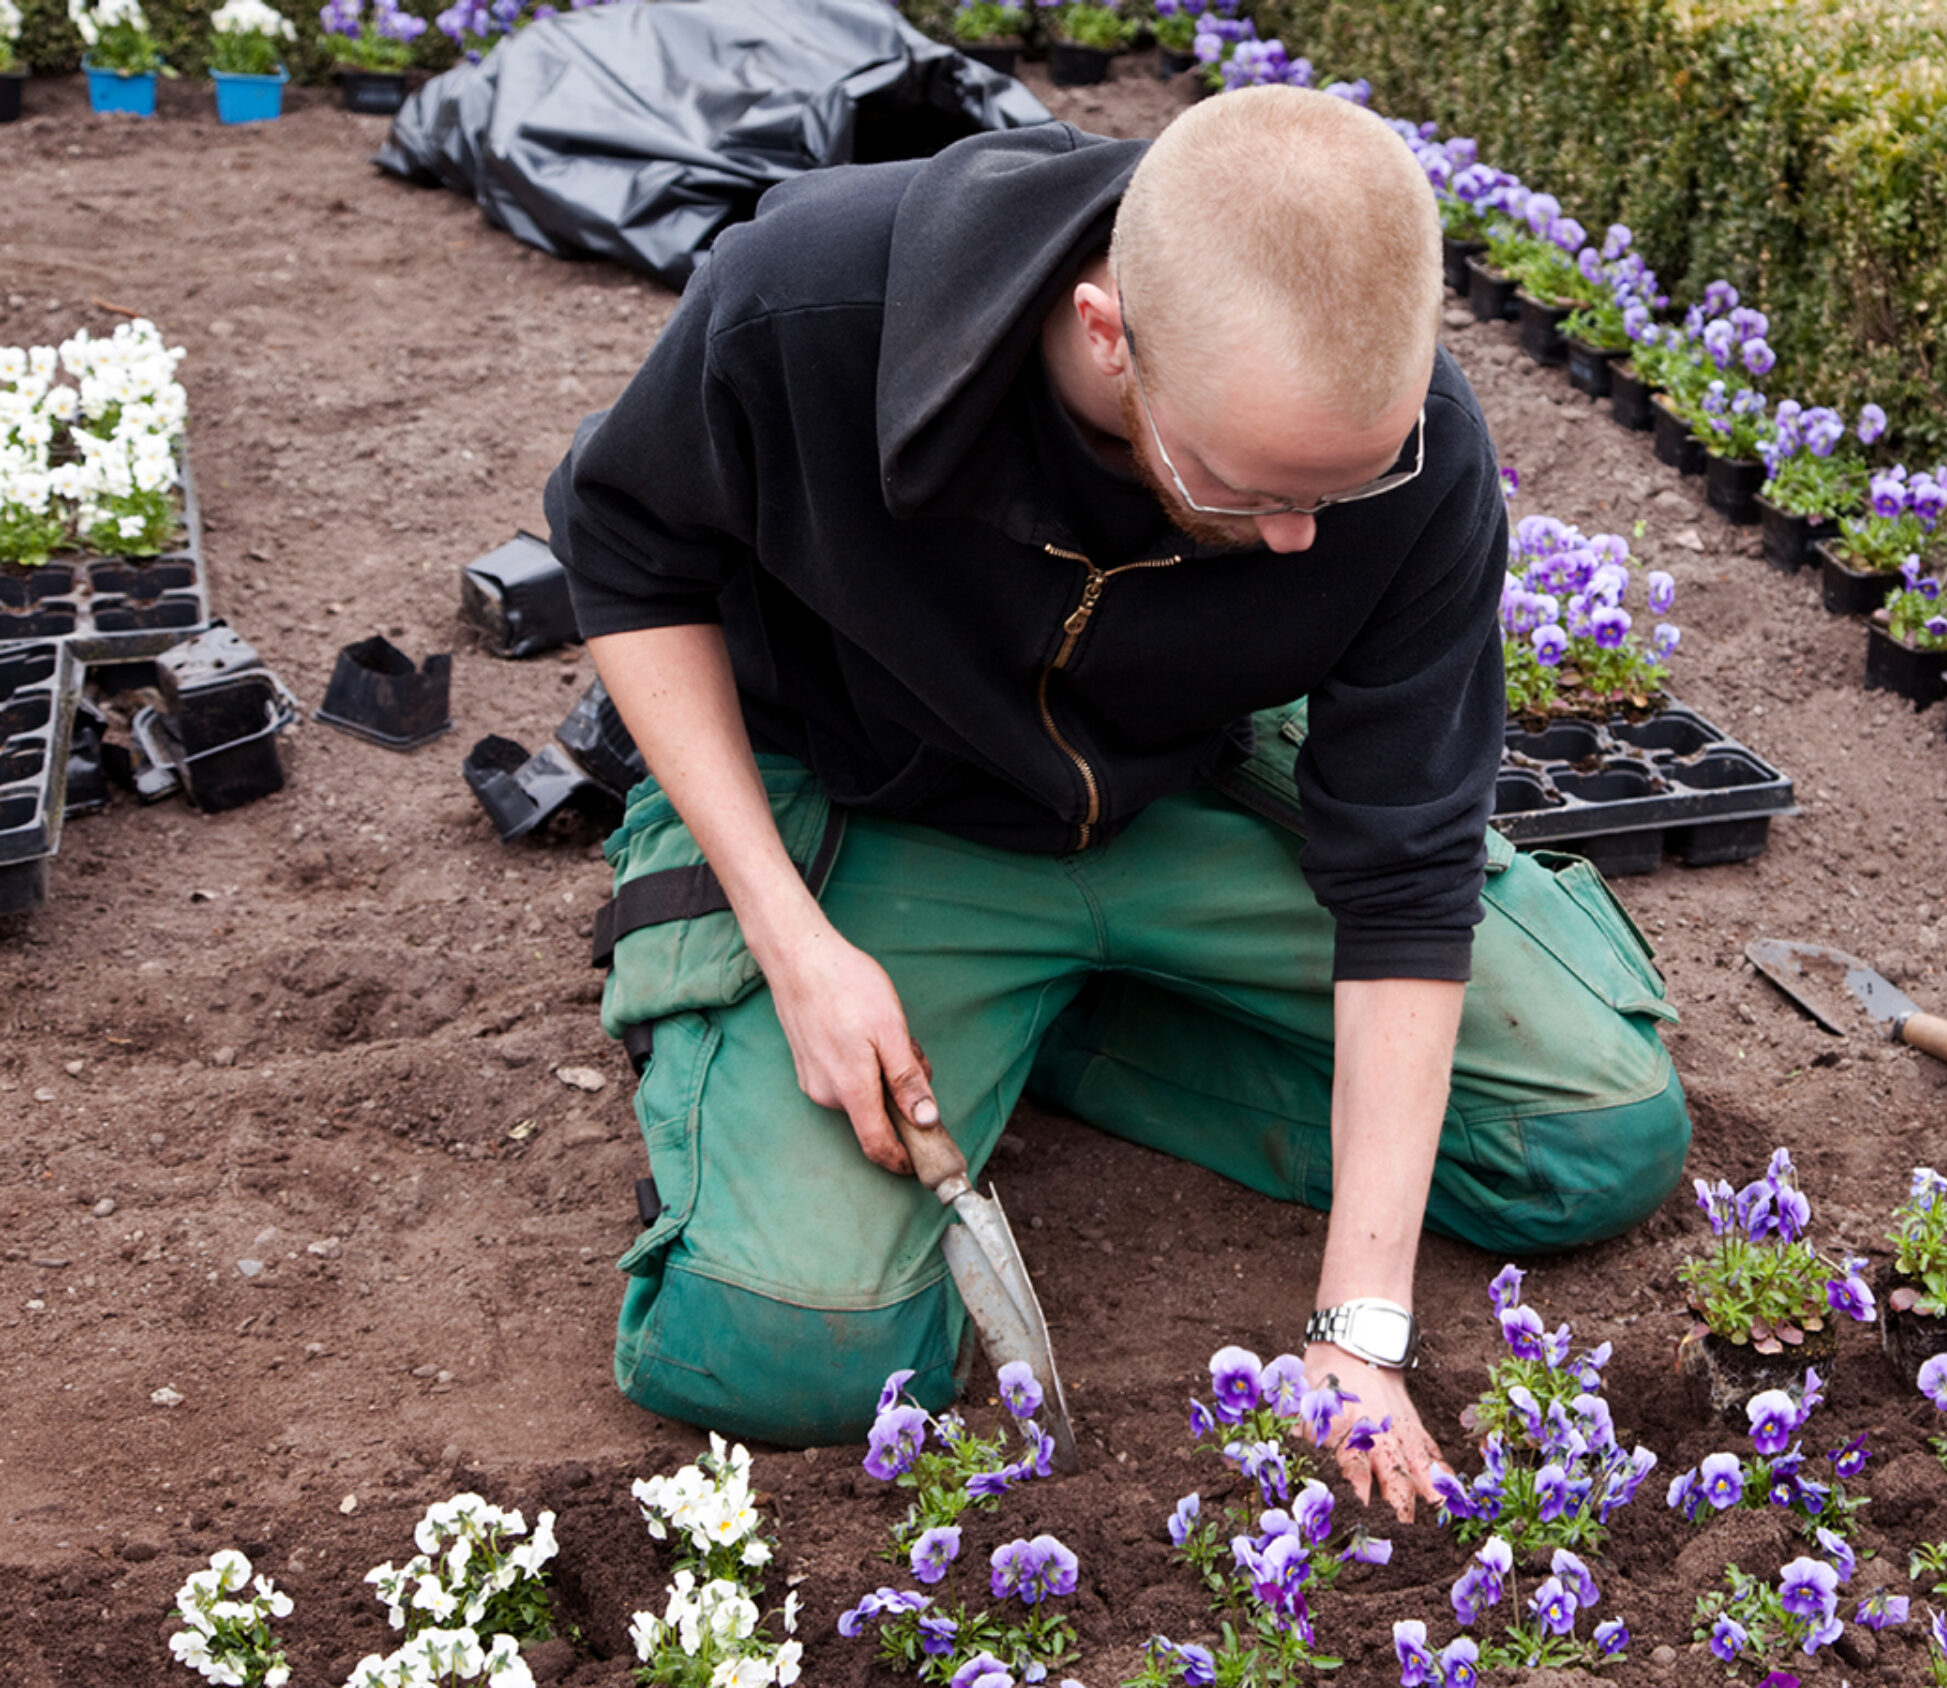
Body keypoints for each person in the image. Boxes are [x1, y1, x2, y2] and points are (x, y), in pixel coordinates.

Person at [544, 86, 1691, 1517]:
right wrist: (794, 950)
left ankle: (1070, 1023)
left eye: (1339, 495)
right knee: (790, 1352)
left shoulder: (1409, 450)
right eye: (1250, 488)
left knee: (1593, 1141)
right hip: (871, 804)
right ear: (1107, 333)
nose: (1293, 538)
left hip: (1170, 797)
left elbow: (1405, 870)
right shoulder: (811, 308)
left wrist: (1359, 1326)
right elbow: (627, 555)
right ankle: (944, 1007)